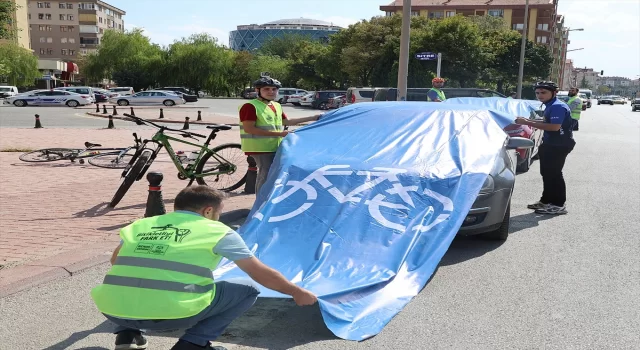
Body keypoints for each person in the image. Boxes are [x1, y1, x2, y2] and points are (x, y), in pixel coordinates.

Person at [91, 185, 318, 350]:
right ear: (208, 211)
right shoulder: (217, 231)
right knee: (249, 288)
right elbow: (258, 272)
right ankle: (194, 343)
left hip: (113, 309)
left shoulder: (142, 225)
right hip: (174, 314)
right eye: (218, 213)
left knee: (131, 279)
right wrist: (296, 292)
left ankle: (127, 335)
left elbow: (116, 261)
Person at [239, 76, 322, 195]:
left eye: (274, 89)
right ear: (258, 91)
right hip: (259, 148)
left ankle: (267, 201)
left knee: (272, 175)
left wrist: (313, 118)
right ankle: (260, 204)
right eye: (266, 89)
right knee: (266, 175)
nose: (271, 92)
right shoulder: (250, 106)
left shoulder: (275, 105)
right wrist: (281, 133)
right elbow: (249, 128)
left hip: (274, 146)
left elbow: (287, 122)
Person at [514, 81, 575, 215]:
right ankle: (546, 201)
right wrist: (529, 120)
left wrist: (527, 122)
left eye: (543, 92)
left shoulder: (557, 106)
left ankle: (558, 205)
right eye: (537, 93)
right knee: (547, 174)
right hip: (550, 143)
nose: (540, 95)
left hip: (559, 144)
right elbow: (548, 122)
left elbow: (554, 127)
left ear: (554, 93)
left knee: (554, 174)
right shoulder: (550, 105)